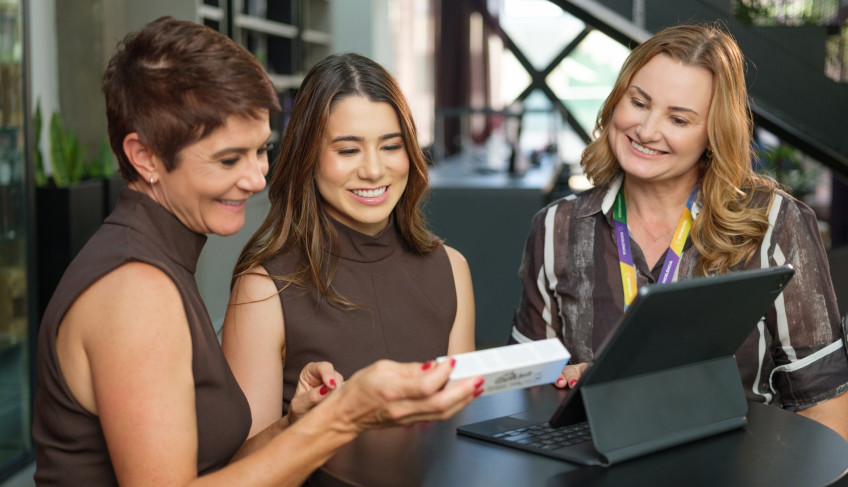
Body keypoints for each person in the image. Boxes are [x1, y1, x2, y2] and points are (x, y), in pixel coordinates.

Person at [32, 17, 483, 486]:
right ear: (144, 157)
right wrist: (345, 415)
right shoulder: (135, 289)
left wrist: (295, 423)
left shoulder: (156, 264)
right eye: (229, 159)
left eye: (261, 150)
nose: (255, 179)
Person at [509, 23, 848, 440]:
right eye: (638, 102)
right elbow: (521, 396)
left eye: (679, 119)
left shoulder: (776, 222)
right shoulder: (556, 227)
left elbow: (825, 405)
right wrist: (566, 388)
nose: (648, 131)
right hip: (595, 468)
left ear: (712, 134)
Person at [221, 52, 476, 435]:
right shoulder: (263, 290)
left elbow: (463, 430)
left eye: (391, 146)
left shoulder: (451, 268)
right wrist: (301, 424)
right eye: (347, 150)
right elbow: (245, 472)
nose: (374, 170)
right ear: (308, 157)